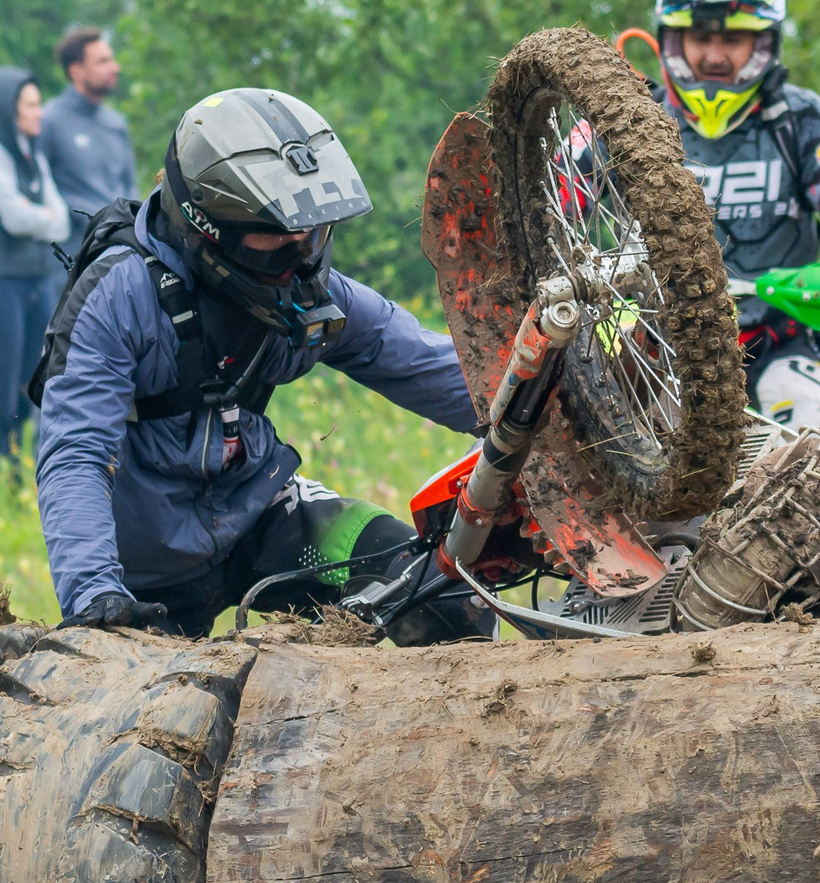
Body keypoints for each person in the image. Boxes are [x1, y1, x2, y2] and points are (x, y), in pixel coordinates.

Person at [32, 87, 487, 640]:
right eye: (275, 241)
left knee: (441, 591)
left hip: (257, 511)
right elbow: (75, 452)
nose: (299, 261)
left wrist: (549, 407)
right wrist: (93, 591)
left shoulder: (309, 292)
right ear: (208, 228)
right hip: (142, 566)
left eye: (311, 236)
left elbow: (425, 361)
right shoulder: (119, 293)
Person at [651, 0, 820, 430]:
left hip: (776, 342)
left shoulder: (800, 119)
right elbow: (553, 196)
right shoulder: (634, 118)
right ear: (674, 39)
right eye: (700, 37)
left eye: (733, 39)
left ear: (763, 42)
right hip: (658, 349)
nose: (713, 55)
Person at [0, 66, 69, 483]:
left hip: (35, 280)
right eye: (29, 105)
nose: (40, 112)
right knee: (0, 386)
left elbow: (60, 222)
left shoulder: (32, 156)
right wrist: (38, 217)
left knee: (32, 381)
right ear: (6, 111)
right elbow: (12, 217)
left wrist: (37, 217)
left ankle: (18, 475)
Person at [38, 26, 139, 244]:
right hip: (72, 256)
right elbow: (40, 190)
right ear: (76, 71)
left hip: (122, 248)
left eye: (111, 59)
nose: (115, 67)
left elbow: (130, 187)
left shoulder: (116, 123)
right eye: (103, 61)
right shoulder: (48, 121)